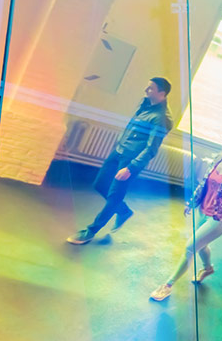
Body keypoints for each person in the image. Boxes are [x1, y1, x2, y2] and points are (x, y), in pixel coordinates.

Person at [67, 78, 173, 245]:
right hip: (118, 151)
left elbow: (151, 148)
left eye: (151, 88)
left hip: (130, 160)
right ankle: (123, 211)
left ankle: (90, 231)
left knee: (115, 195)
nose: (146, 90)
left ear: (162, 93)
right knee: (100, 184)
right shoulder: (146, 104)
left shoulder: (160, 119)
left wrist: (131, 168)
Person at [149, 132, 222, 300]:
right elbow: (203, 184)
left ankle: (167, 286)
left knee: (190, 247)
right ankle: (208, 268)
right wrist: (191, 203)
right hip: (203, 209)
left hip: (219, 218)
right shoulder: (218, 160)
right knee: (201, 245)